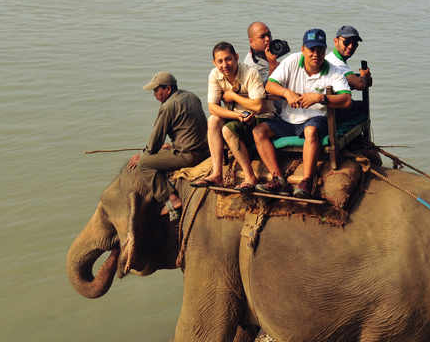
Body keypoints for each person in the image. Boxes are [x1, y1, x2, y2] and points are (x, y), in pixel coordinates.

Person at [251, 29, 352, 199]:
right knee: (258, 132)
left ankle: (307, 181)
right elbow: (270, 85)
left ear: (325, 50)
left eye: (320, 50)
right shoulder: (292, 60)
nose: (316, 54)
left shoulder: (333, 71)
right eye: (311, 50)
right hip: (287, 119)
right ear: (303, 49)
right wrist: (286, 93)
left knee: (310, 131)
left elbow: (347, 100)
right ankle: (278, 179)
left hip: (315, 118)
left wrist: (321, 98)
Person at [128, 71, 209, 221]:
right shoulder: (191, 96)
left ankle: (171, 198)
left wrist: (143, 155)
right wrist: (173, 144)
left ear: (168, 89)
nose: (154, 95)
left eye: (156, 91)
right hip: (206, 150)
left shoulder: (168, 106)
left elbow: (156, 139)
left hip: (189, 156)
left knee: (144, 165)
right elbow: (190, 127)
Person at [192, 42, 274, 192]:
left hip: (260, 117)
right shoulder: (215, 75)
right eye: (220, 61)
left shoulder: (250, 73)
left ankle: (250, 177)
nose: (225, 64)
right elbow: (212, 108)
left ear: (236, 57)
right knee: (213, 120)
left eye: (228, 59)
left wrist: (233, 97)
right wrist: (237, 115)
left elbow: (258, 107)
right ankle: (217, 173)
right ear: (214, 63)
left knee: (227, 130)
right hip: (238, 116)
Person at [325, 25, 372, 122]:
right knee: (362, 106)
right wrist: (364, 76)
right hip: (328, 110)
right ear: (335, 41)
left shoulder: (330, 57)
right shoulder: (336, 62)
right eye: (346, 42)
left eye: (354, 44)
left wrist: (363, 80)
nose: (350, 46)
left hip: (326, 104)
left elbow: (347, 83)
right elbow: (359, 84)